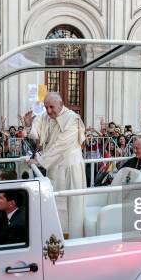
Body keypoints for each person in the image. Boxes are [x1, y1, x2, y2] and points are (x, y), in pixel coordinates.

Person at [23, 92, 86, 237]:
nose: (49, 110)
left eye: (51, 107)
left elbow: (60, 145)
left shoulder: (72, 119)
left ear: (61, 104)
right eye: (46, 107)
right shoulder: (47, 116)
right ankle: (55, 234)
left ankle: (73, 237)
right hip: (53, 168)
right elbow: (37, 127)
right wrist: (29, 127)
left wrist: (39, 160)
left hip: (70, 168)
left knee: (72, 205)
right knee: (55, 203)